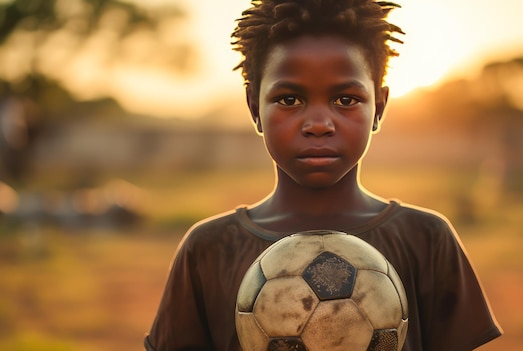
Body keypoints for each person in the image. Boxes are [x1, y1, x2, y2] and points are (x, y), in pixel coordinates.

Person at [144, 0, 502, 350]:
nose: (318, 124)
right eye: (289, 100)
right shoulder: (208, 248)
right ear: (254, 107)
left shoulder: (426, 238)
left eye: (345, 100)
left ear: (379, 107)